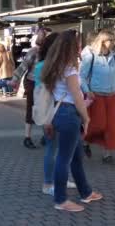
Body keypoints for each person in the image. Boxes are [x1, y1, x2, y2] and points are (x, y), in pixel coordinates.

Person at [41, 30, 102, 212]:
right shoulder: (69, 68)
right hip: (69, 114)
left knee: (75, 157)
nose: (80, 47)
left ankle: (85, 192)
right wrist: (86, 117)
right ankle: (61, 200)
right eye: (78, 43)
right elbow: (77, 96)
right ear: (72, 46)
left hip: (58, 113)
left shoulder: (53, 66)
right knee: (65, 159)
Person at [33, 32, 76, 196]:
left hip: (57, 111)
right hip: (51, 111)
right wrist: (47, 119)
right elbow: (43, 94)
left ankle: (59, 179)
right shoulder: (45, 66)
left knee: (59, 149)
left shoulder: (51, 65)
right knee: (53, 148)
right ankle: (48, 183)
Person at [80, 30, 115, 163]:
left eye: (113, 40)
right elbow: (81, 76)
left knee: (111, 126)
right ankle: (86, 142)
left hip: (111, 95)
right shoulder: (91, 56)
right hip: (96, 95)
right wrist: (87, 90)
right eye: (110, 40)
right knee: (98, 125)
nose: (112, 43)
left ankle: (107, 153)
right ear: (102, 42)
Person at [11, 28, 51, 149]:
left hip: (46, 84)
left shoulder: (51, 53)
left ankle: (46, 135)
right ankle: (27, 137)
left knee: (46, 109)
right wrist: (15, 79)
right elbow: (23, 67)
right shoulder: (34, 52)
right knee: (31, 109)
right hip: (32, 82)